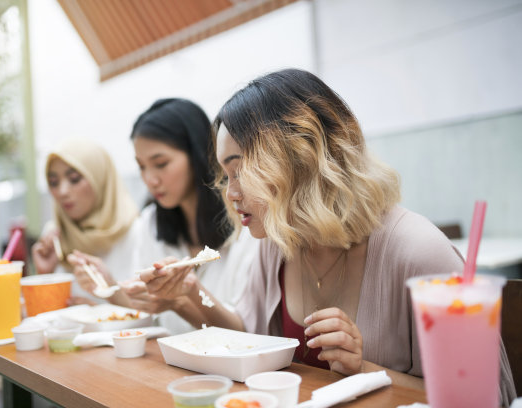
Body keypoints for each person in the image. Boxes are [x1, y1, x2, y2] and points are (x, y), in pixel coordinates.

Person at [138, 69, 516, 403]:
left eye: (241, 170)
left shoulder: (417, 251)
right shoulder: (277, 244)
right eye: (225, 174)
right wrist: (189, 294)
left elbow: (484, 398)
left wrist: (362, 367)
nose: (230, 192)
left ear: (300, 158)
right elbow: (247, 335)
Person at [71, 98, 259, 334]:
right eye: (141, 166)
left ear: (197, 154)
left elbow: (248, 333)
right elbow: (151, 314)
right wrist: (108, 286)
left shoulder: (248, 223)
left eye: (160, 163)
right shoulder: (151, 224)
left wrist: (179, 301)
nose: (150, 179)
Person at [31, 138, 139, 303]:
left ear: (100, 179)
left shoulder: (136, 232)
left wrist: (102, 308)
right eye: (54, 182)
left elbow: (156, 318)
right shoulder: (54, 237)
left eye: (74, 179)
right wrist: (45, 275)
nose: (62, 191)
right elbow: (46, 318)